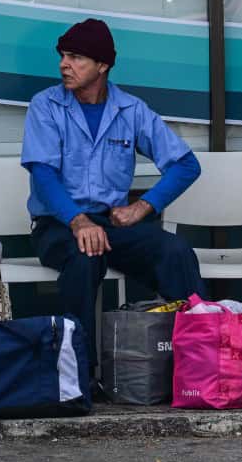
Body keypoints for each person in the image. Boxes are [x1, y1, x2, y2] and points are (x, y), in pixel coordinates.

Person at [20, 18, 206, 364]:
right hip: (58, 225)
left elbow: (185, 165)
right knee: (84, 257)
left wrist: (142, 207)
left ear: (102, 65)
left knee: (174, 251)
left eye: (76, 57)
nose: (63, 65)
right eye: (62, 56)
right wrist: (77, 221)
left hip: (111, 224)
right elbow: (43, 174)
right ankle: (79, 372)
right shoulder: (46, 105)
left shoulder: (131, 110)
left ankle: (200, 360)